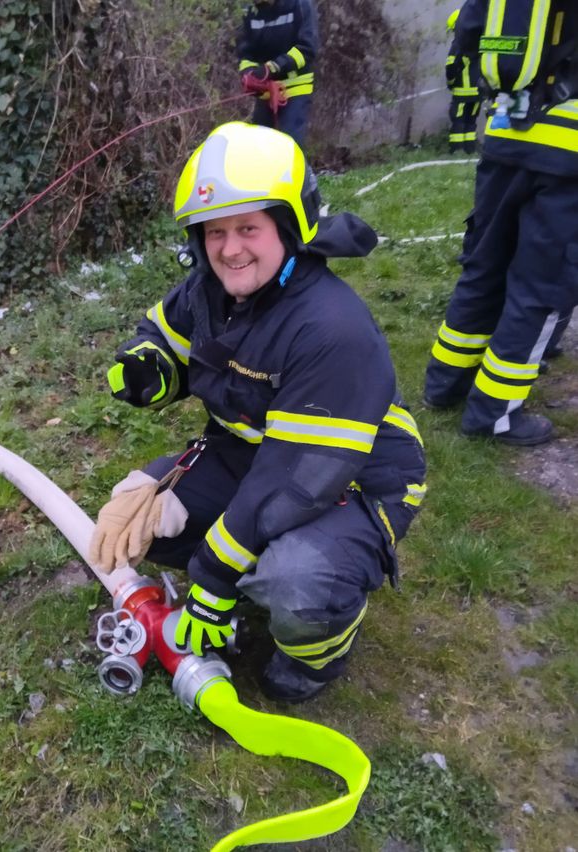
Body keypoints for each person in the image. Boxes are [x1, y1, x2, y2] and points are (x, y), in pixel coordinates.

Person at [89, 122, 427, 703]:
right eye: (214, 231)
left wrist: (214, 581)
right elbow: (166, 334)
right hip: (251, 456)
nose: (229, 247)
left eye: (248, 227)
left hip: (350, 479)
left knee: (296, 579)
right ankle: (248, 564)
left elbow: (298, 477)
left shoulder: (330, 328)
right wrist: (150, 367)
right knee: (143, 515)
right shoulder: (209, 291)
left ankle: (321, 647)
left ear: (289, 226)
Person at [424, 0, 577, 446]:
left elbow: (466, 31)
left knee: (484, 267)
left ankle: (444, 385)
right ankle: (494, 414)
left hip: (505, 137)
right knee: (542, 289)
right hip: (567, 158)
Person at [236, 0, 318, 147]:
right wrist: (249, 73)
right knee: (259, 148)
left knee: (290, 146)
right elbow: (245, 53)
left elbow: (307, 48)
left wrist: (274, 67)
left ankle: (304, 171)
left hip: (296, 88)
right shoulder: (249, 11)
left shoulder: (300, 4)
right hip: (266, 90)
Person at [445, 8, 482, 154]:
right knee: (471, 120)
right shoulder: (480, 43)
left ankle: (457, 150)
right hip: (478, 91)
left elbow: (451, 66)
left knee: (458, 120)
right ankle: (469, 149)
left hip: (461, 91)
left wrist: (450, 82)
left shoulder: (458, 45)